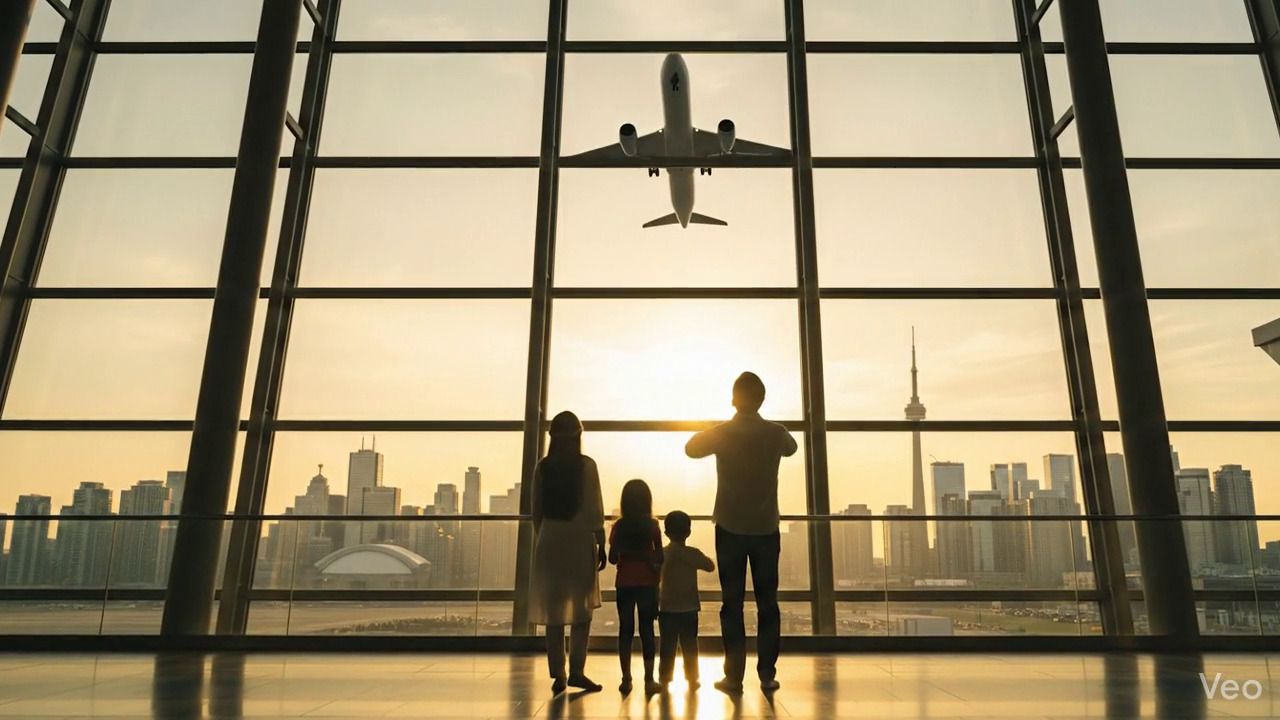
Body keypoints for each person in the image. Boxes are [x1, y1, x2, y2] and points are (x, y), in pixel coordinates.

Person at [685, 372, 798, 694]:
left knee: (731, 604)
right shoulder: (776, 433)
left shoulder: (722, 433)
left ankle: (734, 677)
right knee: (768, 604)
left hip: (730, 527)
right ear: (762, 400)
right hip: (766, 528)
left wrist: (716, 429)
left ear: (734, 399)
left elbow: (691, 449)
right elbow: (792, 448)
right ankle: (767, 674)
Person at [530, 411, 606, 694]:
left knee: (555, 611)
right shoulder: (586, 466)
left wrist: (544, 536)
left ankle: (558, 674)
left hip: (549, 539)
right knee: (581, 609)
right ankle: (577, 670)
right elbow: (593, 506)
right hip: (578, 537)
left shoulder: (542, 467)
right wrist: (600, 540)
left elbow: (536, 511)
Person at [609, 479, 664, 696]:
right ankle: (649, 680)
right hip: (647, 582)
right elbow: (660, 556)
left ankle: (626, 678)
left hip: (624, 583)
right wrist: (645, 556)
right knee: (647, 630)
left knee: (625, 630)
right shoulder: (652, 527)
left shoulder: (619, 527)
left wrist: (627, 554)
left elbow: (612, 558)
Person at [657, 510, 715, 690]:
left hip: (666, 607)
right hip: (689, 607)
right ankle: (692, 678)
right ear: (688, 532)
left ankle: (664, 678)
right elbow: (710, 566)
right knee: (690, 645)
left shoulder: (662, 554)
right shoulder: (692, 553)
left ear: (666, 533)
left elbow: (653, 573)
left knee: (667, 645)